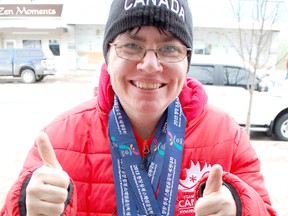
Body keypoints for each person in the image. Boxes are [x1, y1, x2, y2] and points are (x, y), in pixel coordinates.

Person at [1, 0, 277, 215]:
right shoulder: (57, 140)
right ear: (108, 56)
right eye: (132, 45)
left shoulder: (228, 136)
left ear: (187, 61)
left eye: (169, 49)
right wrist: (25, 207)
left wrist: (241, 208)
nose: (150, 65)